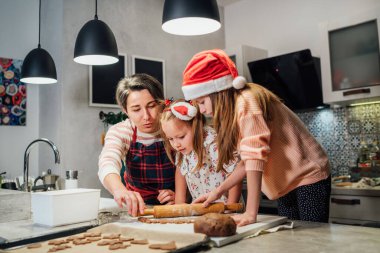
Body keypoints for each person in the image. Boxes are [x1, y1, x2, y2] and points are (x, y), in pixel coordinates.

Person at [182, 49, 331, 226]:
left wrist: (250, 213)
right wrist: (218, 191)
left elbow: (254, 158)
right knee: (293, 241)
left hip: (308, 175)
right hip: (285, 183)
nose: (202, 110)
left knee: (312, 238)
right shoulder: (234, 110)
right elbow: (246, 161)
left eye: (202, 102)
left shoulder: (246, 101)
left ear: (219, 92)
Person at [98, 73, 176, 216]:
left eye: (151, 106)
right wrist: (120, 190)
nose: (146, 116)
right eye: (136, 109)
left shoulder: (175, 125)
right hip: (139, 209)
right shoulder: (121, 131)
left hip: (175, 207)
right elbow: (107, 162)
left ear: (161, 103)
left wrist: (182, 195)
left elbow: (195, 167)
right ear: (125, 110)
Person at [160, 100, 242, 204]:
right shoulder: (182, 153)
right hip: (200, 212)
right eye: (170, 139)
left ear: (195, 127)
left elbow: (234, 176)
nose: (176, 144)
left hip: (224, 211)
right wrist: (179, 210)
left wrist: (231, 209)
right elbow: (180, 196)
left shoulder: (213, 144)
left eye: (181, 137)